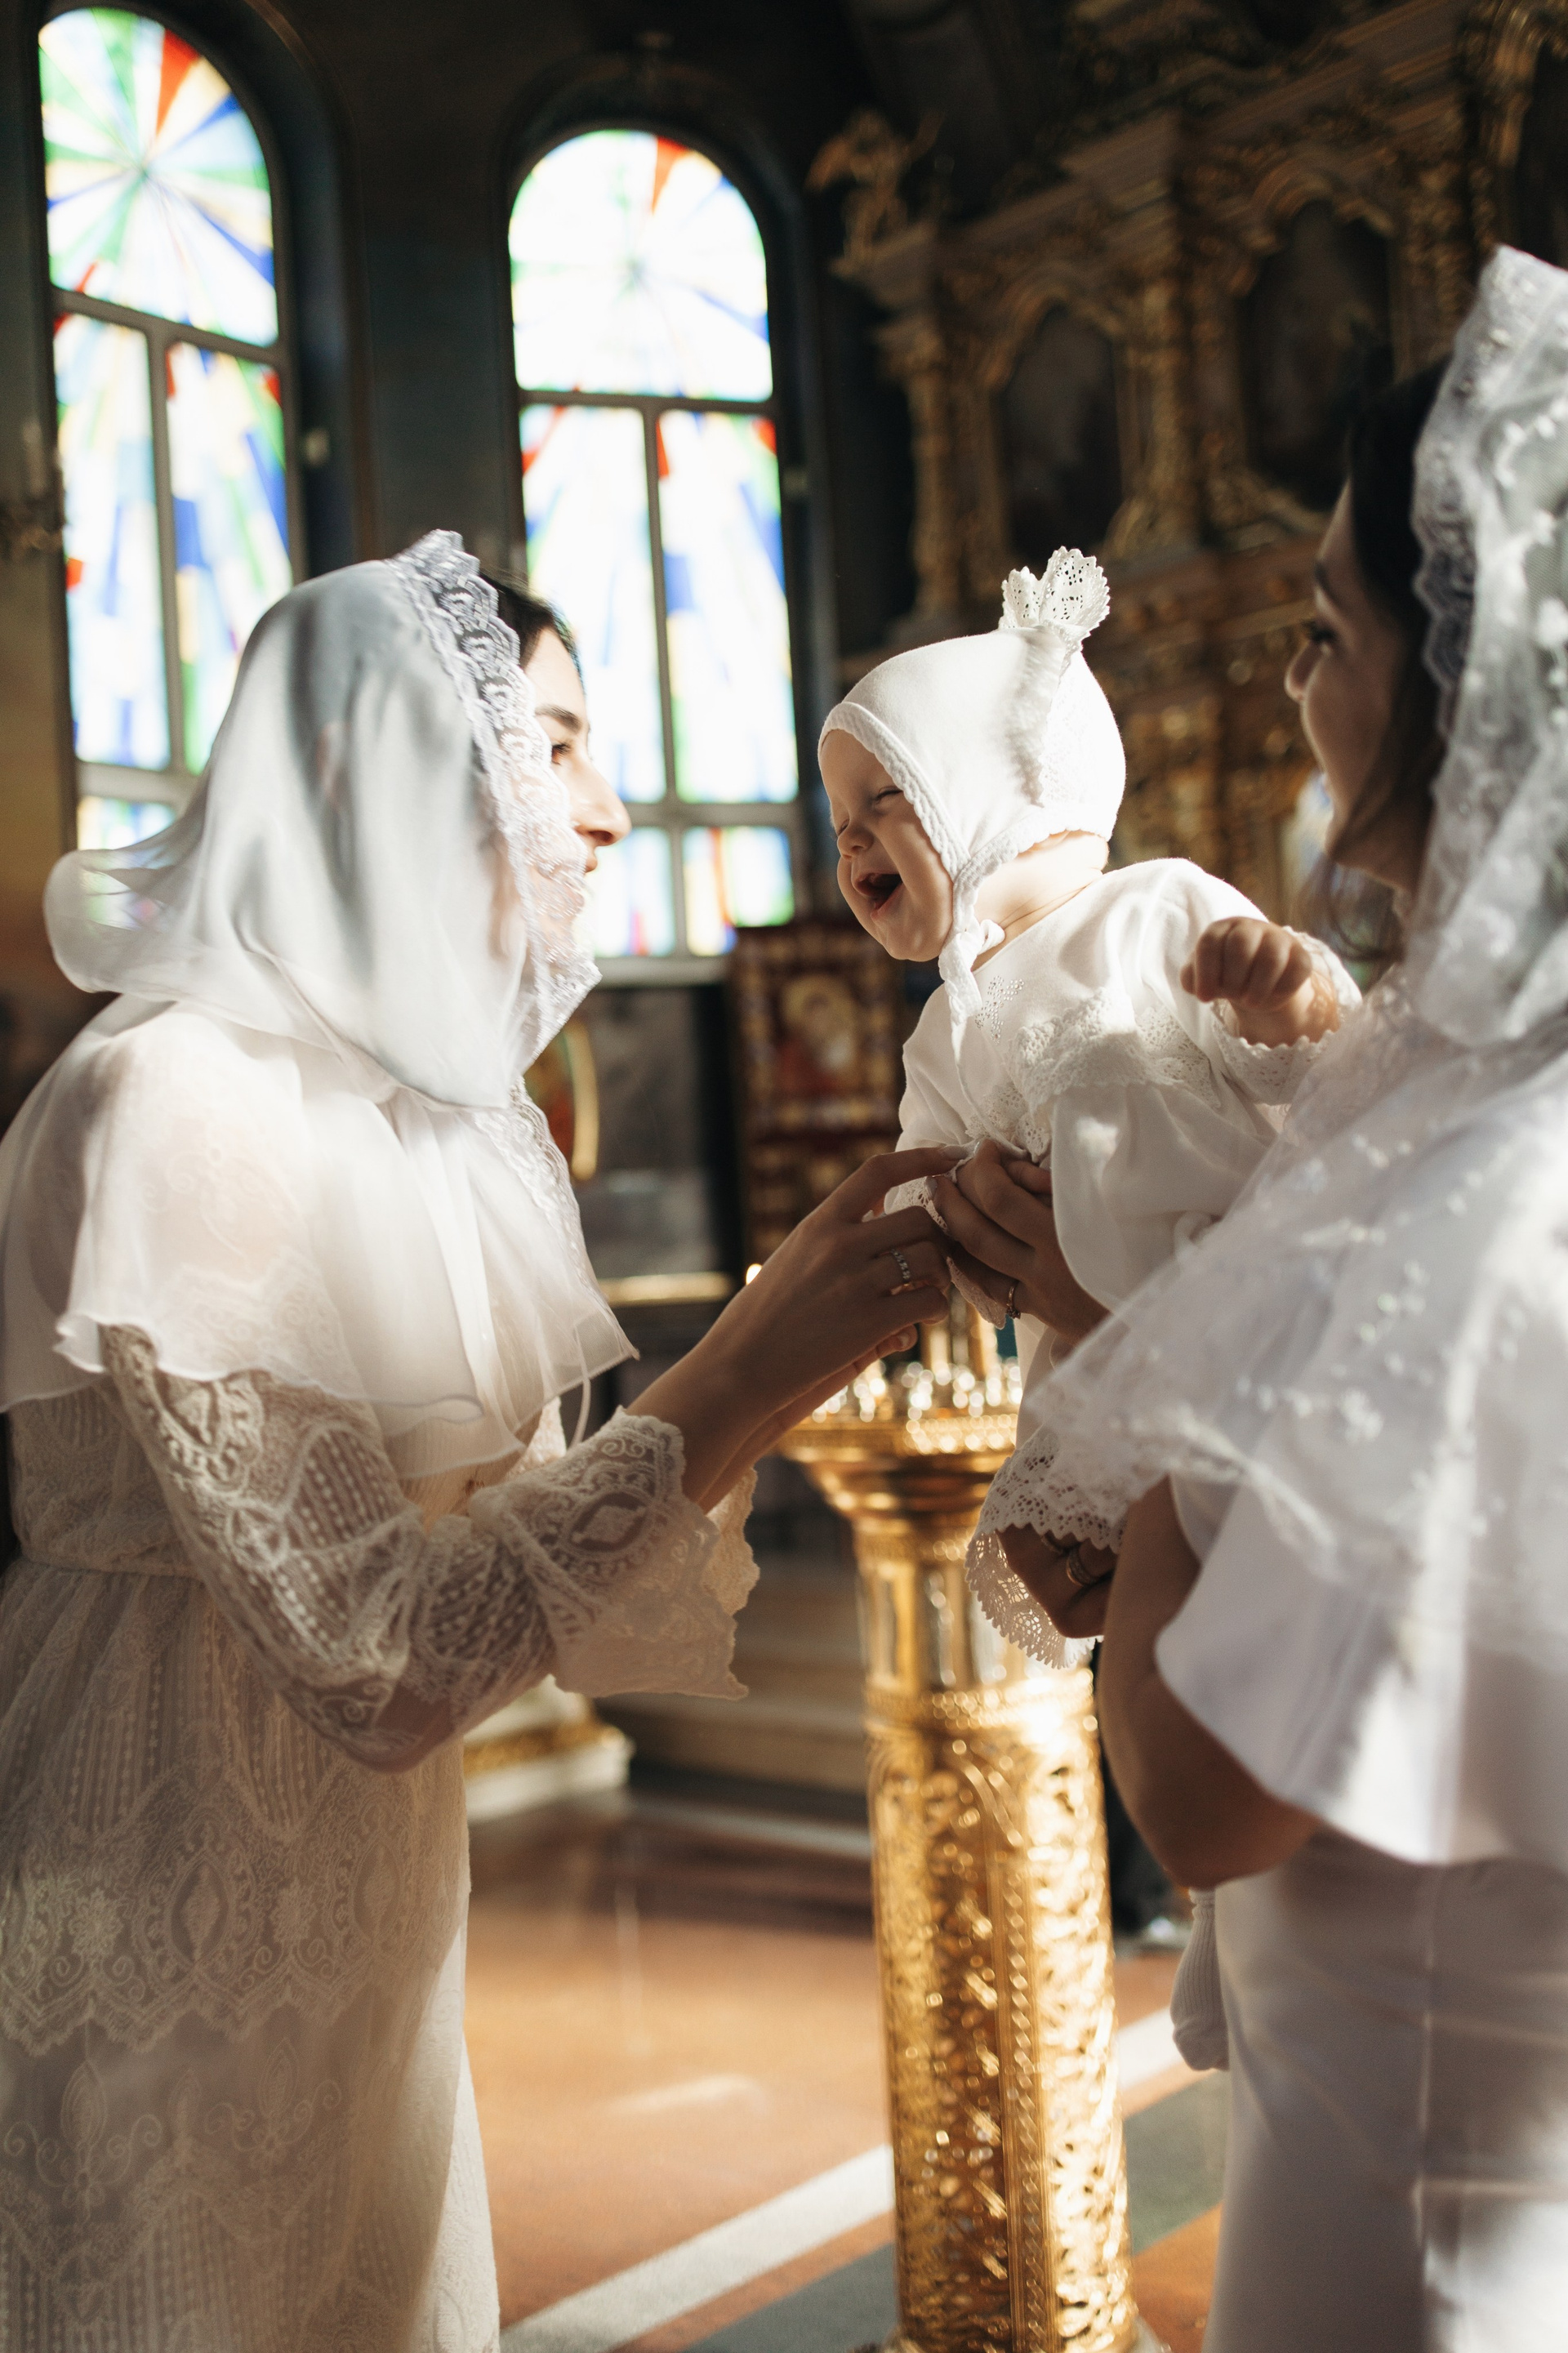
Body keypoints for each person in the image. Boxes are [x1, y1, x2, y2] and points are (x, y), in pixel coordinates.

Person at [0, 533, 957, 2352]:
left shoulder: (421, 1127)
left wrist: (801, 1345)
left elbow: (537, 1591)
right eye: (558, 741)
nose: (606, 814)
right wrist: (751, 1353)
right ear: (368, 760)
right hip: (147, 1923)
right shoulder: (173, 1095)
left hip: (365, 1939)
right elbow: (377, 1651)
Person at [947, 247, 1568, 2348]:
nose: (1298, 685)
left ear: (1465, 693)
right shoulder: (1453, 1081)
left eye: (1326, 632)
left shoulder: (1493, 1183)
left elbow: (1213, 1792)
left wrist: (1133, 1407)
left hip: (1421, 2211)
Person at [817, 555, 1357, 1655]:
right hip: (1089, 1371)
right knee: (1118, 1606)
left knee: (1274, 1617)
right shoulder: (943, 1026)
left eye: (885, 800)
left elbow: (1314, 1075)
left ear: (1000, 794)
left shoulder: (1151, 908)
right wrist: (924, 1231)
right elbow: (928, 1190)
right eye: (838, 825)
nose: (852, 842)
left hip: (1248, 1308)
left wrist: (1280, 995)